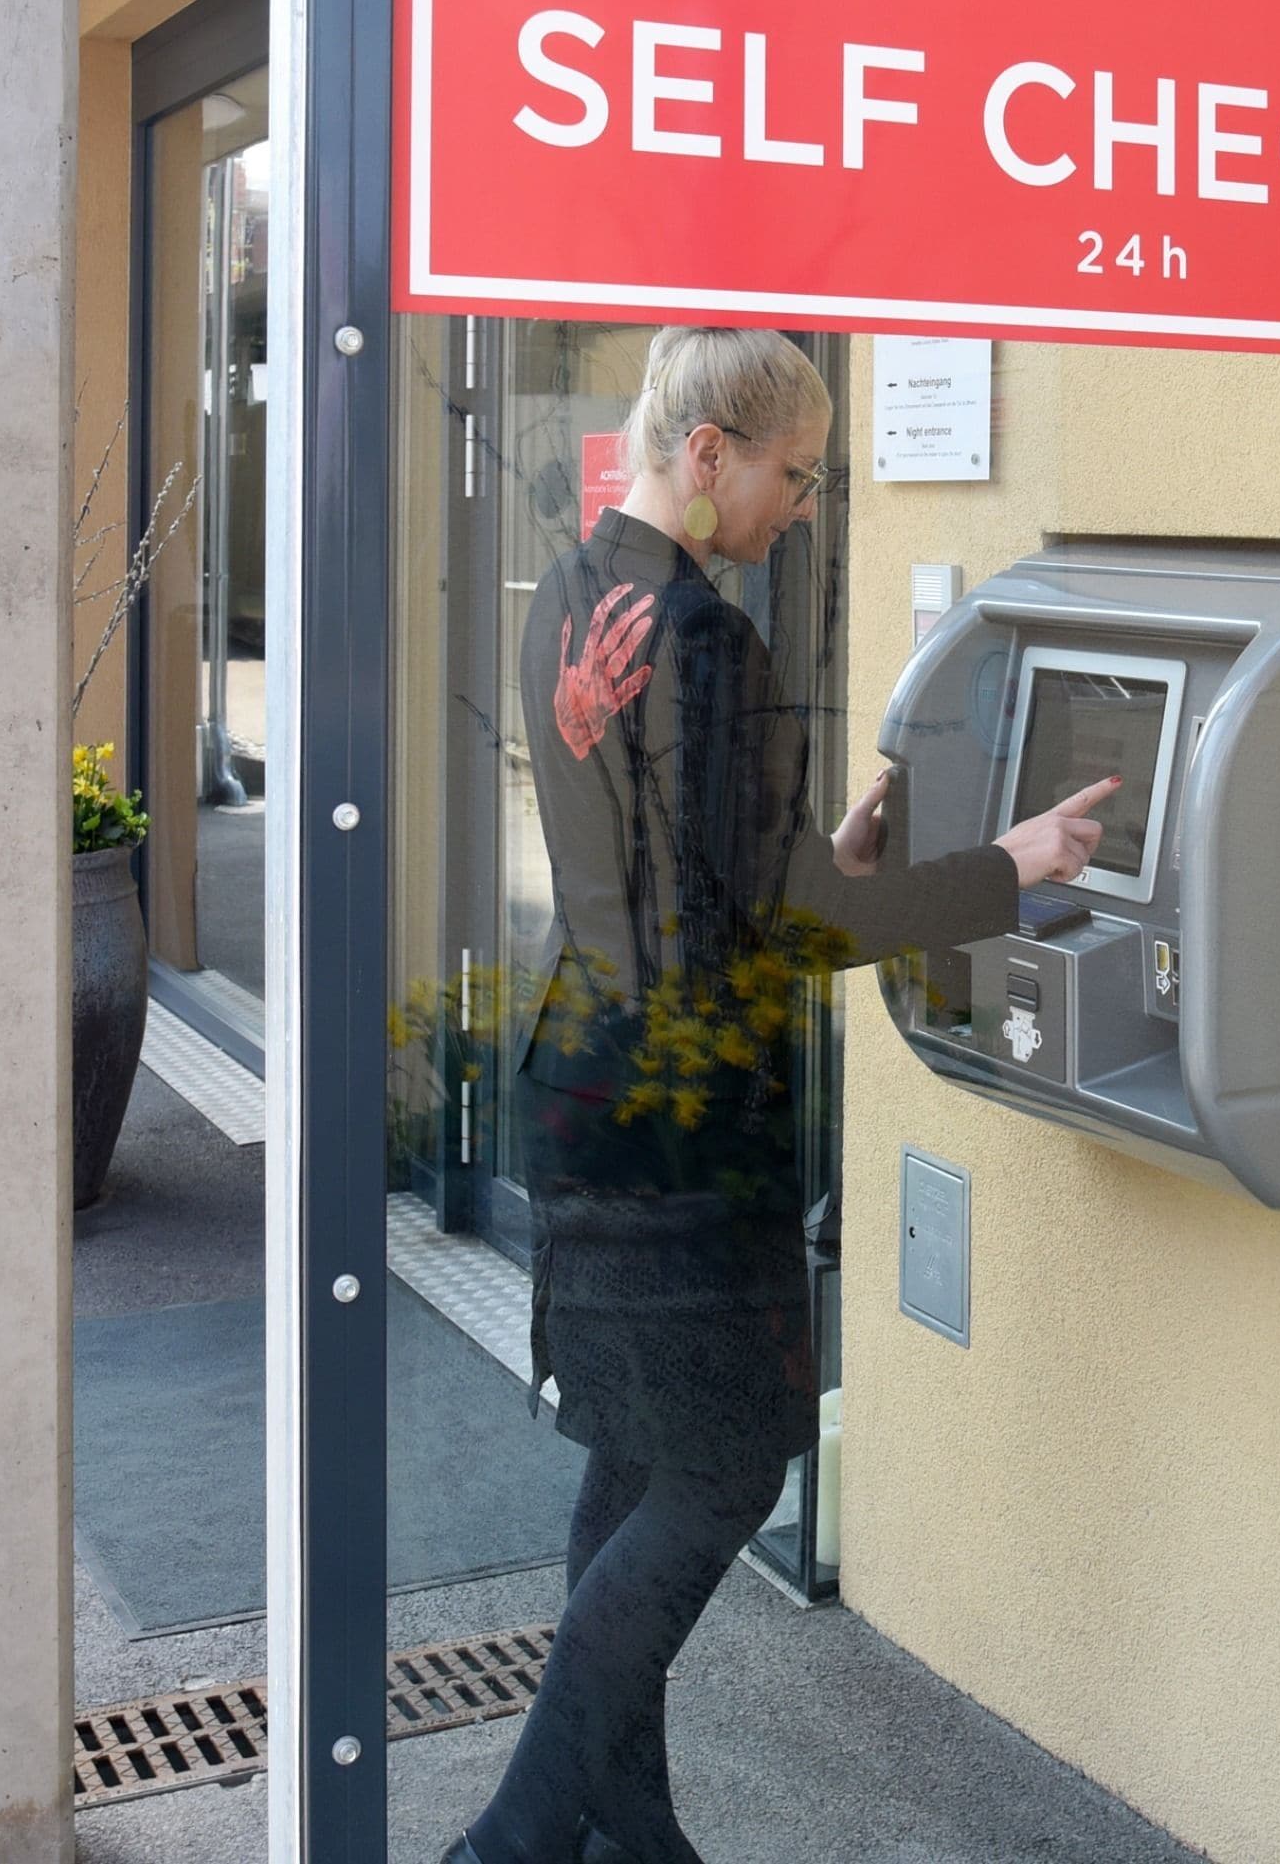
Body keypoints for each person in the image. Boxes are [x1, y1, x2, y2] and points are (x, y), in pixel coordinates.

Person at [449, 327, 1112, 1864]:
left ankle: (630, 1825)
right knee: (732, 1459)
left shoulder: (567, 591)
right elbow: (793, 927)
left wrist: (848, 857)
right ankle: (517, 1838)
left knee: (635, 1455)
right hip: (689, 1115)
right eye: (794, 473)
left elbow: (727, 877)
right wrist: (1009, 870)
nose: (802, 505)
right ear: (709, 453)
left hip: (589, 1078)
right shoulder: (709, 635)